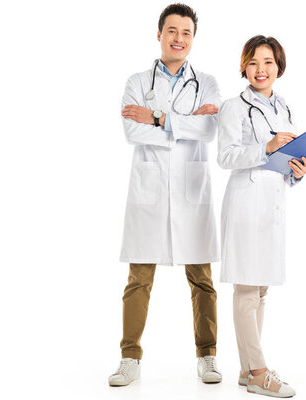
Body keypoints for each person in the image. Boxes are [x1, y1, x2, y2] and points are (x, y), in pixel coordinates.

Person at [108, 3, 222, 386]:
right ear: (159, 35)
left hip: (192, 191)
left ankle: (207, 356)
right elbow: (131, 132)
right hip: (150, 190)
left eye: (186, 32)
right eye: (172, 31)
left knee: (202, 279)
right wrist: (186, 125)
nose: (179, 39)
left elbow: (209, 131)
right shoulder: (137, 81)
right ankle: (129, 358)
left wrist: (158, 118)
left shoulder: (207, 82)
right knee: (138, 278)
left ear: (193, 39)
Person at [217, 35, 306, 398]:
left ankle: (245, 369)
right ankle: (258, 372)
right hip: (244, 205)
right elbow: (225, 157)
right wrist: (266, 147)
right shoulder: (233, 107)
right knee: (246, 286)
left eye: (268, 62)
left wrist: (296, 170)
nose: (261, 69)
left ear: (278, 66)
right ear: (244, 66)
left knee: (260, 289)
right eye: (254, 62)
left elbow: (283, 161)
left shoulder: (283, 107)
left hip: (271, 204)